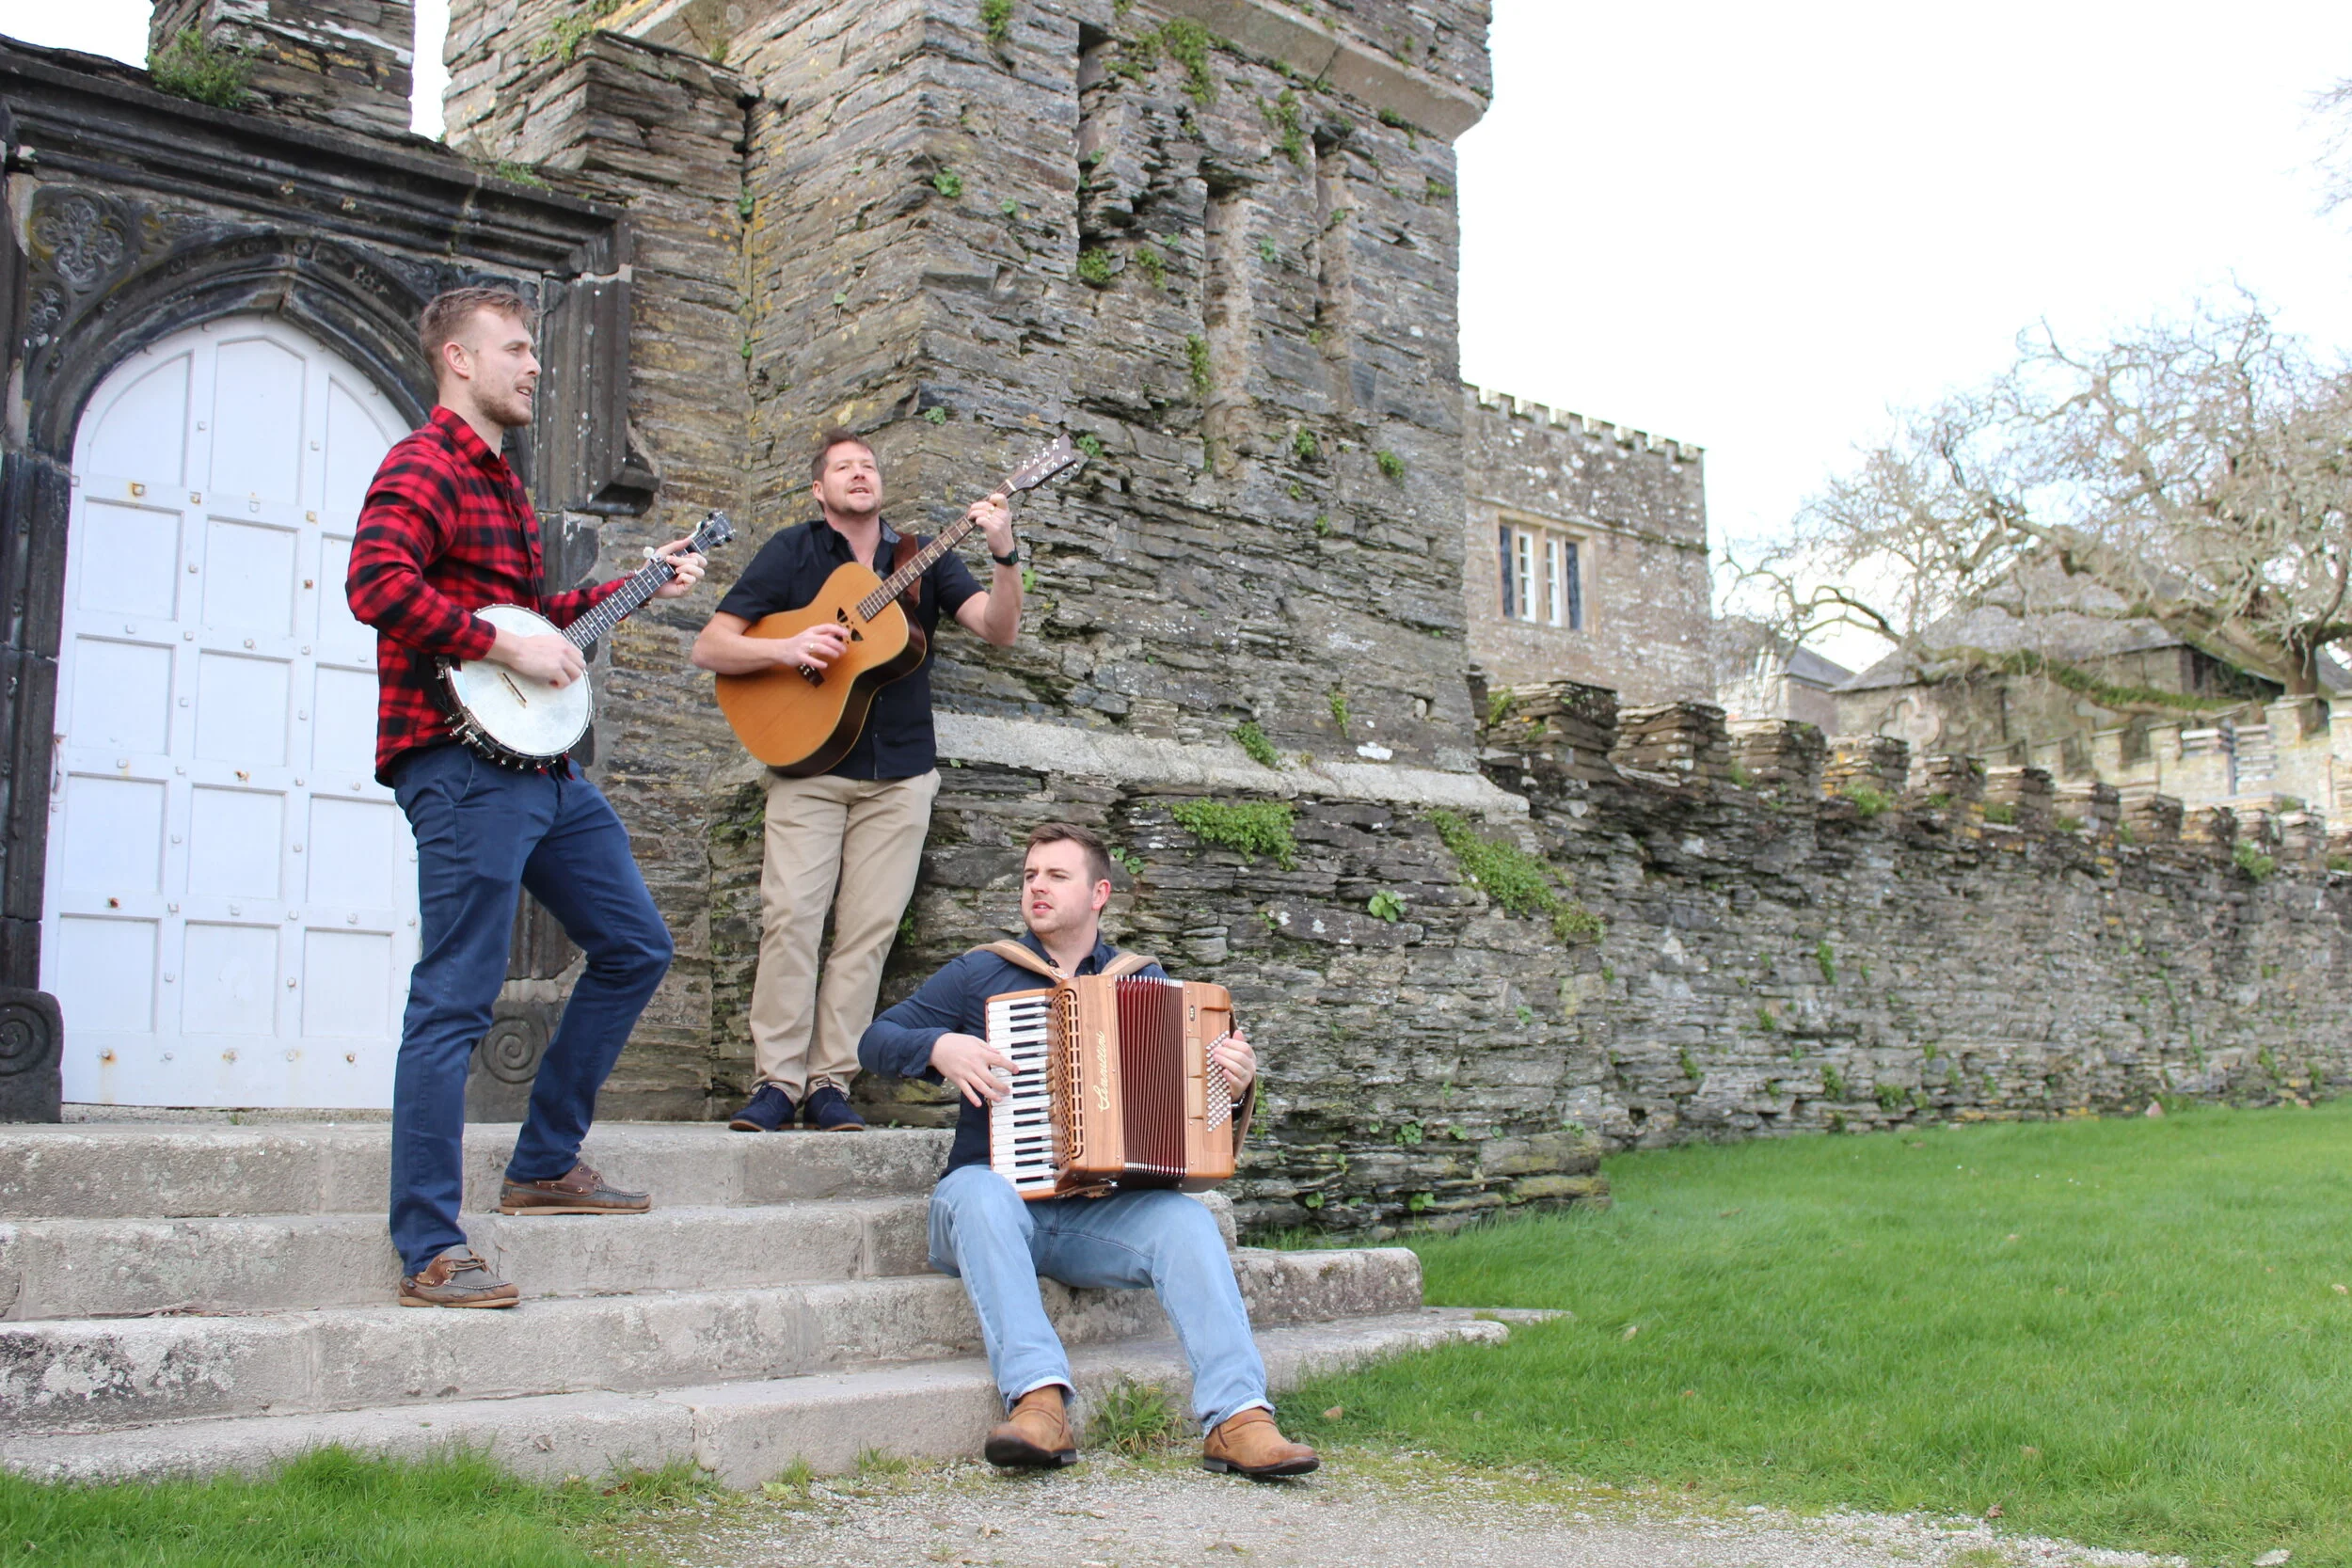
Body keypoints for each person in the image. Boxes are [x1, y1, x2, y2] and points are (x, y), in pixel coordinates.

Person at [347, 285, 708, 1309]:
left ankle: (545, 1161)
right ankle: (428, 1242)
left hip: (542, 770)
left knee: (636, 942)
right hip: (457, 766)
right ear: (457, 359)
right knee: (455, 997)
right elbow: (377, 584)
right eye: (515, 348)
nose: (534, 365)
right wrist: (500, 640)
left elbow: (536, 616)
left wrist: (629, 588)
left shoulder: (501, 483)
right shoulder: (423, 463)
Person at [859, 822, 1321, 1478]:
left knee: (1188, 1220)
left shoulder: (1146, 980)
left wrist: (1234, 1085)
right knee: (981, 1190)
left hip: (1091, 1218)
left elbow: (1194, 1122)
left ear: (1099, 892)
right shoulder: (979, 973)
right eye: (1029, 875)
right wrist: (938, 1046)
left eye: (1055, 875)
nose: (1036, 887)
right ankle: (1039, 1404)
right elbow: (875, 1039)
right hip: (990, 1208)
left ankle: (1239, 1416)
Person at [691, 430, 1020, 1132]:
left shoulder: (922, 556)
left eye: (869, 463)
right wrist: (789, 645)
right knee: (790, 921)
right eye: (843, 466)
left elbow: (998, 629)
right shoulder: (794, 551)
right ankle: (776, 1081)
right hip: (808, 766)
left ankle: (829, 1083)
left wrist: (1003, 552)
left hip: (900, 773)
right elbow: (710, 644)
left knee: (866, 935)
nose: (859, 472)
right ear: (820, 489)